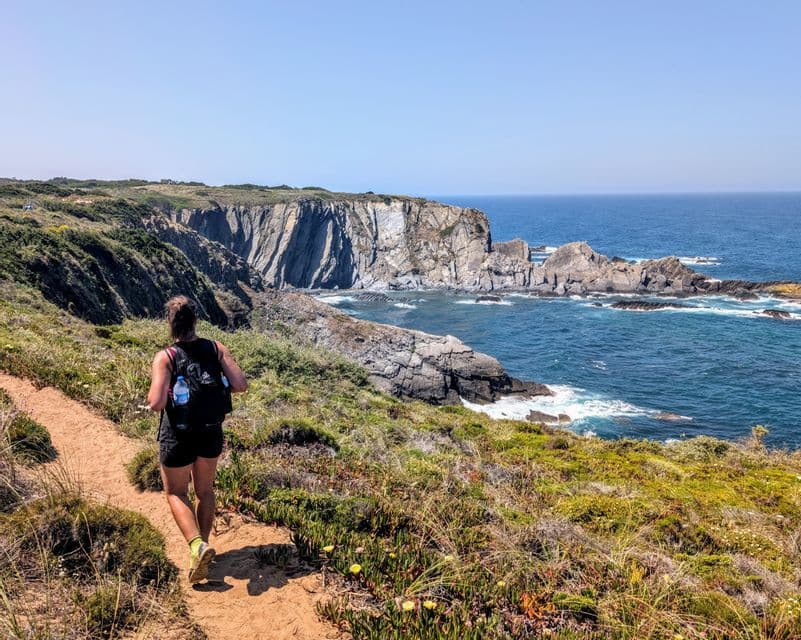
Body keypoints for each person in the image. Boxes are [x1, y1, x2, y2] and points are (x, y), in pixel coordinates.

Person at [147, 295, 248, 582]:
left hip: (177, 434)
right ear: (195, 321)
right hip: (210, 431)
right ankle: (202, 545)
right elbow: (240, 385)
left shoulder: (165, 357)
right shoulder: (216, 349)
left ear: (170, 324)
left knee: (176, 492)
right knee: (205, 491)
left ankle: (196, 546)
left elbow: (155, 403)